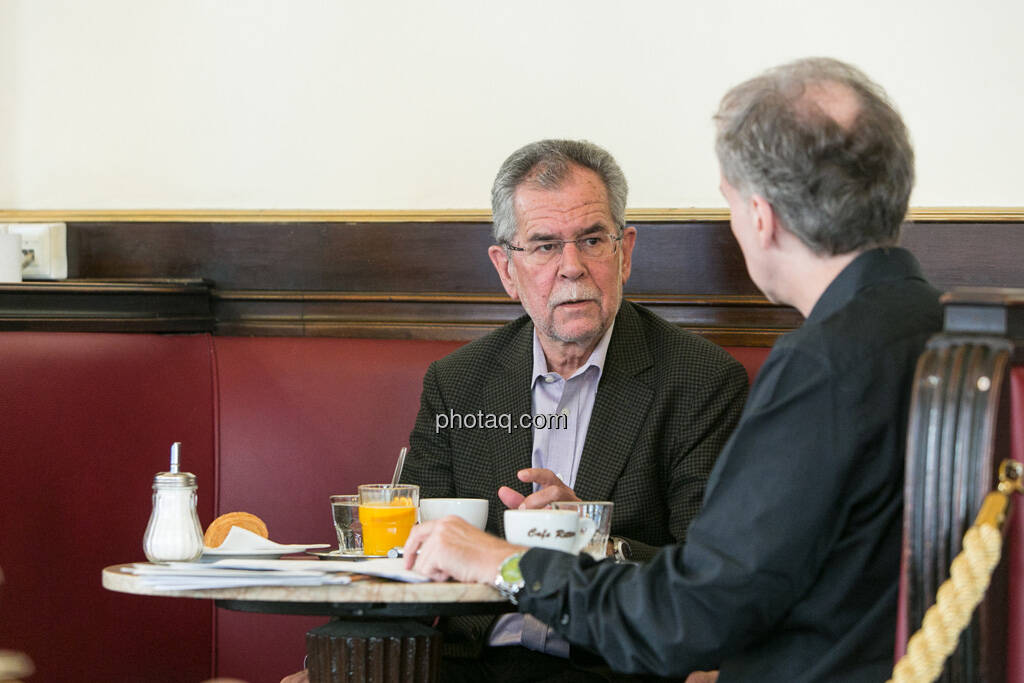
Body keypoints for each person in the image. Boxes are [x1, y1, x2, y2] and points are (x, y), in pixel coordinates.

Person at [404, 57, 944, 682]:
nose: (572, 266)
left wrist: (510, 562)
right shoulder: (928, 323)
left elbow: (695, 611)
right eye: (547, 246)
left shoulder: (823, 365)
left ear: (761, 215)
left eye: (730, 202)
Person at [400, 139, 749, 681]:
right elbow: (410, 552)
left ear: (625, 251)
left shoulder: (700, 382)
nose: (572, 267)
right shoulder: (458, 383)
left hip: (608, 666)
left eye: (591, 240)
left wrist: (590, 539)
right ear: (506, 269)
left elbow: (711, 581)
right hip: (470, 666)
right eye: (543, 246)